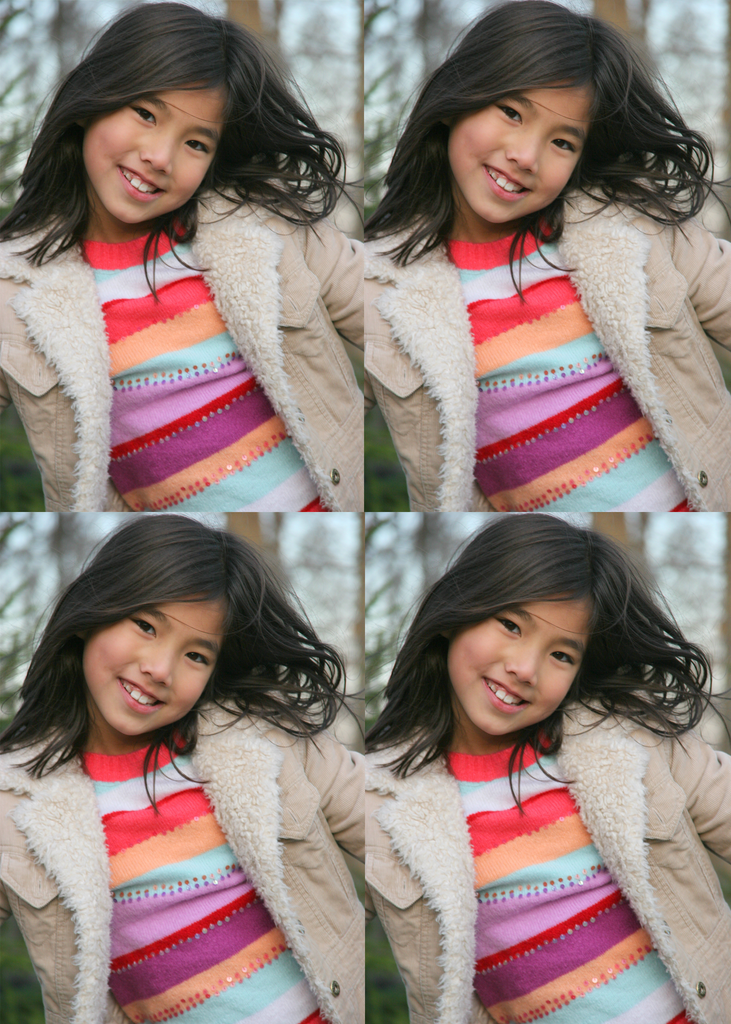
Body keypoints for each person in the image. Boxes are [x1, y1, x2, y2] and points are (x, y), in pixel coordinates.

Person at [364, 0, 731, 512]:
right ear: (457, 100)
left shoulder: (637, 230)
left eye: (562, 141)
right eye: (512, 112)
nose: (526, 156)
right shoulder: (379, 286)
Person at [365, 513, 731, 1024]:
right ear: (456, 614)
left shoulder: (635, 743)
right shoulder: (381, 798)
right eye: (511, 625)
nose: (526, 668)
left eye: (561, 654)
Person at [0, 2, 363, 513]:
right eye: (146, 114)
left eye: (195, 142)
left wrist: (347, 415)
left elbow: (405, 309)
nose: (160, 157)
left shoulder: (265, 228)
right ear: (91, 103)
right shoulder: (15, 288)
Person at [0, 514, 364, 1024]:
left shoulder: (266, 741)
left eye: (195, 654)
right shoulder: (15, 799)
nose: (160, 669)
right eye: (146, 626)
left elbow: (405, 817)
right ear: (92, 614)